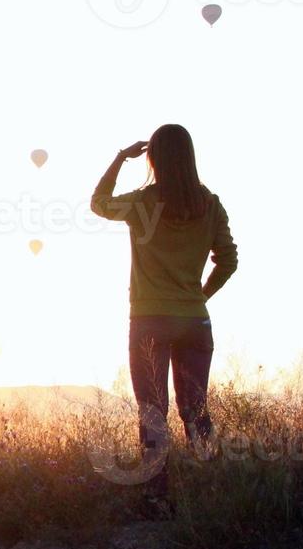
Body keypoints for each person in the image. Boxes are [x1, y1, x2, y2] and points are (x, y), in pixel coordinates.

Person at [91, 124, 238, 491]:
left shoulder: (142, 203)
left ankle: (158, 497)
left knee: (154, 413)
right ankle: (212, 488)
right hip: (194, 322)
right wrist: (200, 295)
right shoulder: (211, 204)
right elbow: (228, 261)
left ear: (153, 159)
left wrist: (120, 159)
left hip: (149, 322)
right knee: (196, 411)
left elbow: (99, 203)